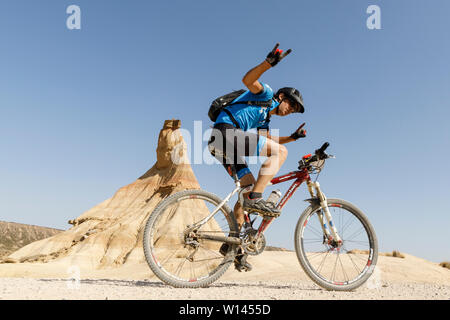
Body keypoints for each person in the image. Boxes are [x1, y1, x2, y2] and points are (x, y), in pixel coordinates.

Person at [207, 43, 307, 271]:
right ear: (281, 97)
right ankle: (257, 197)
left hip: (220, 144)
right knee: (279, 156)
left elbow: (269, 141)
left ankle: (233, 246)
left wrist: (292, 137)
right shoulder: (266, 94)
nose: (291, 109)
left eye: (294, 109)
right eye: (291, 104)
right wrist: (267, 64)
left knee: (247, 188)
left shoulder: (264, 119)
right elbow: (247, 80)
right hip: (225, 132)